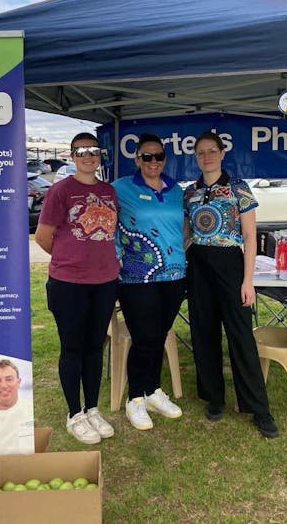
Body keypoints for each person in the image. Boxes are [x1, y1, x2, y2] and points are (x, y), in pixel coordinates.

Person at [183, 131, 279, 438]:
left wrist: (247, 280)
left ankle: (259, 408)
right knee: (203, 333)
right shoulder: (190, 193)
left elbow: (251, 237)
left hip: (230, 264)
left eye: (212, 151)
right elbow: (186, 234)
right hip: (198, 263)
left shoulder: (239, 188)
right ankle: (214, 397)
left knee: (240, 336)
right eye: (201, 152)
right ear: (196, 157)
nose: (207, 156)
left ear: (222, 153)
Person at [36, 132, 120, 444]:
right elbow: (44, 237)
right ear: (72, 157)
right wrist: (72, 260)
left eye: (94, 151)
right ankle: (74, 413)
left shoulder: (108, 192)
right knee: (72, 348)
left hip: (105, 282)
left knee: (95, 348)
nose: (88, 156)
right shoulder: (60, 191)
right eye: (81, 151)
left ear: (100, 156)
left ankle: (93, 408)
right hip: (68, 284)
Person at [112, 133, 185, 430]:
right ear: (137, 158)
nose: (152, 162)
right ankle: (135, 399)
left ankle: (153, 390)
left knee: (160, 333)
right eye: (146, 156)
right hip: (136, 276)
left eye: (158, 157)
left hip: (175, 274)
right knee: (144, 338)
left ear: (164, 159)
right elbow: (107, 223)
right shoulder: (120, 188)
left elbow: (183, 226)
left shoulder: (176, 190)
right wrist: (115, 253)